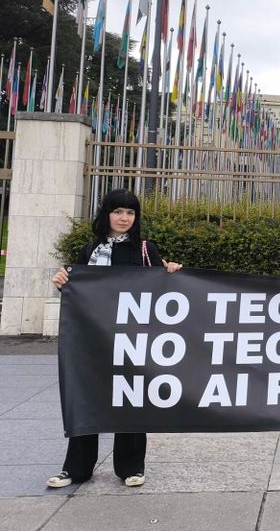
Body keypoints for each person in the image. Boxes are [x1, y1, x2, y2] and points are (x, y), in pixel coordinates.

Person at [46, 188, 183, 489]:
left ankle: (131, 466)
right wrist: (62, 284)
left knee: (131, 398)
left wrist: (171, 272)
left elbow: (161, 291)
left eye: (130, 212)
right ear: (106, 214)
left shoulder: (146, 249)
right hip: (92, 340)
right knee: (85, 400)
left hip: (132, 340)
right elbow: (78, 294)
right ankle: (76, 468)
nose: (124, 218)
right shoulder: (90, 251)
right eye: (118, 211)